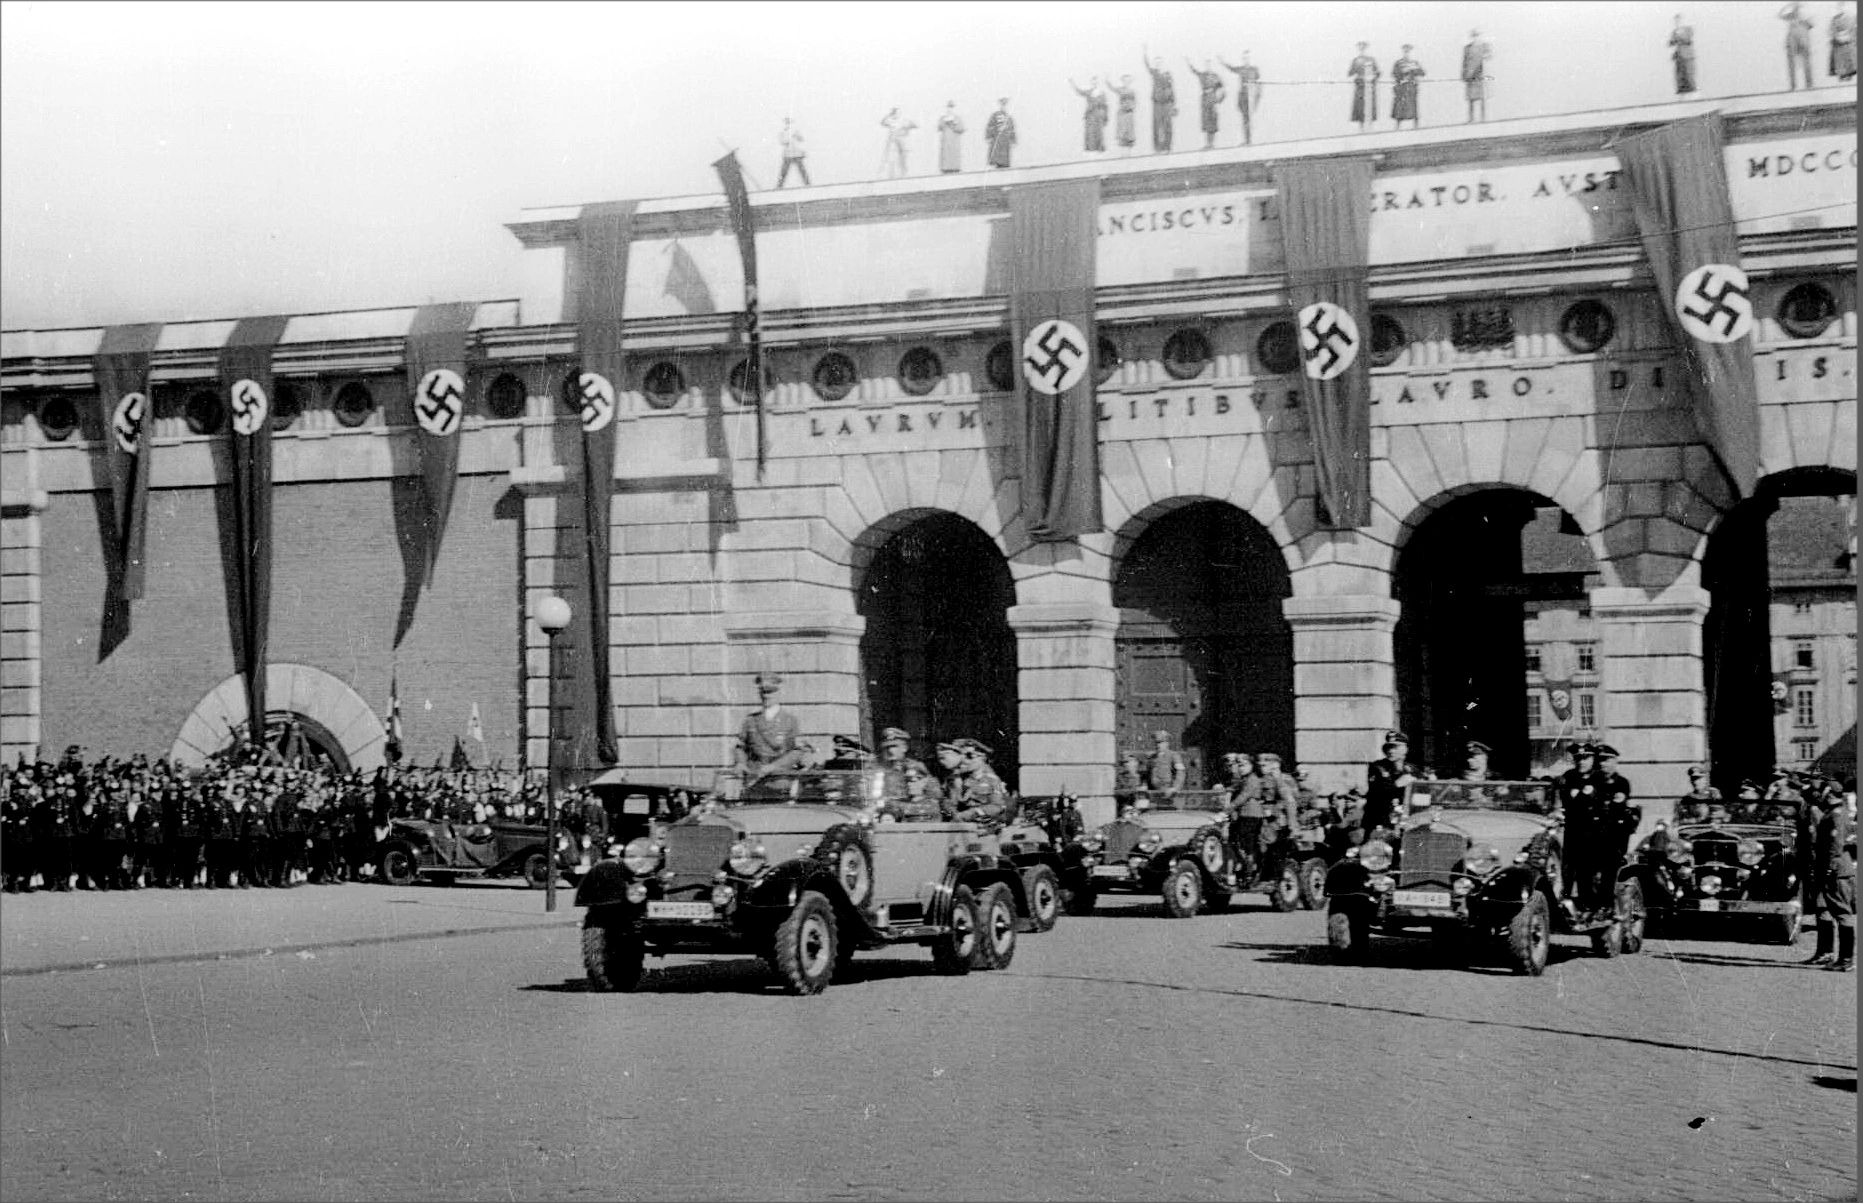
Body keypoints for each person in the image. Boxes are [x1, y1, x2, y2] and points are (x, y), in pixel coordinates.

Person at [1805, 787, 1856, 969]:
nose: (1822, 796)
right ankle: (1826, 952)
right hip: (1826, 868)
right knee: (1823, 909)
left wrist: (1830, 868)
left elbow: (1836, 843)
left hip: (1836, 870)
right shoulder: (1830, 813)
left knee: (1842, 912)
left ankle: (1846, 959)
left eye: (1825, 793)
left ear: (1831, 795)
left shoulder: (1836, 815)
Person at [739, 672, 805, 779]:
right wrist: (740, 763)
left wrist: (774, 766)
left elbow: (797, 751)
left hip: (780, 778)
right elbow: (740, 747)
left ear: (779, 693)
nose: (766, 696)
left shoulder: (789, 720)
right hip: (754, 778)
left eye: (770, 692)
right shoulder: (750, 720)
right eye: (763, 692)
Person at [946, 739, 1011, 833]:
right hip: (962, 828)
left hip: (986, 830)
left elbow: (997, 807)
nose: (963, 760)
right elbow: (951, 804)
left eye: (969, 756)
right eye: (961, 755)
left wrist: (973, 813)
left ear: (982, 758)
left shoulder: (992, 780)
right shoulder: (960, 779)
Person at [1363, 731, 1418, 835]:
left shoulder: (1412, 769)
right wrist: (1396, 784)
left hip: (1405, 819)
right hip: (1381, 819)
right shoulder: (1377, 767)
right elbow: (1375, 793)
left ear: (1405, 749)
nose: (1391, 751)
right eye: (1388, 747)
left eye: (1395, 747)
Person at [878, 727, 938, 820]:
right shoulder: (879, 769)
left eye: (894, 746)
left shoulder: (915, 767)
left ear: (904, 748)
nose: (890, 751)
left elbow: (934, 795)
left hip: (909, 816)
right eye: (887, 747)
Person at [1218, 52, 1263, 144]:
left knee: (1249, 118)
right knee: (1245, 118)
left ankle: (1249, 139)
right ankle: (1247, 139)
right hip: (1243, 96)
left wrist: (1257, 95)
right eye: (1244, 58)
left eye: (1247, 58)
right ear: (1243, 60)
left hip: (1251, 95)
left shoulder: (1254, 70)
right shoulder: (1241, 69)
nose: (1246, 60)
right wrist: (1222, 62)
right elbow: (1231, 68)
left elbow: (1259, 83)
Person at [1143, 49, 1176, 151]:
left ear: (1163, 63)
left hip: (1167, 103)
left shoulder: (1167, 74)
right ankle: (1158, 147)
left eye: (1160, 62)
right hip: (1157, 103)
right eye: (1156, 63)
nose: (1158, 64)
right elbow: (1147, 65)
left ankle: (1167, 146)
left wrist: (1173, 104)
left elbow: (1171, 89)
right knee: (1157, 125)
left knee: (1167, 125)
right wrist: (1145, 53)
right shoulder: (1154, 72)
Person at [1188, 58, 1225, 148]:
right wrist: (1188, 62)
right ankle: (1208, 143)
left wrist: (1219, 99)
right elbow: (1194, 71)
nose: (1208, 66)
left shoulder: (1215, 76)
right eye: (1207, 65)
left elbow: (1221, 88)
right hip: (1205, 99)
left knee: (1213, 120)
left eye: (1210, 64)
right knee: (1206, 120)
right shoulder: (1202, 75)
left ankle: (1212, 143)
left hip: (1212, 98)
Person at [1070, 77, 1109, 153]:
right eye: (1093, 82)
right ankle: (1091, 150)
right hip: (1090, 115)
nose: (1095, 83)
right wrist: (1072, 83)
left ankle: (1099, 149)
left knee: (1099, 132)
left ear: (1098, 83)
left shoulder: (1102, 93)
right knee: (1090, 132)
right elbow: (1079, 91)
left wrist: (1105, 117)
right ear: (1091, 83)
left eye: (1096, 82)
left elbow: (1105, 106)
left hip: (1099, 115)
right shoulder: (1088, 92)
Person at [1782, 1, 1817, 88]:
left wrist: (1804, 20)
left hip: (1803, 40)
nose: (1796, 7)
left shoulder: (1805, 15)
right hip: (1792, 41)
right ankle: (1793, 85)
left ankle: (1809, 84)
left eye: (1797, 5)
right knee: (1791, 64)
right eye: (1795, 5)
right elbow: (1780, 15)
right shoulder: (1790, 15)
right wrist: (1787, 6)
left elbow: (1812, 25)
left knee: (1806, 63)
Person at [1461, 29, 1492, 122]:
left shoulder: (1484, 46)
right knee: (1471, 98)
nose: (1475, 38)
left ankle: (1483, 118)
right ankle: (1471, 118)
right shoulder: (1467, 48)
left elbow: (1488, 58)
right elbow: (1464, 62)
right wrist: (1464, 74)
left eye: (1477, 36)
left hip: (1480, 75)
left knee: (1482, 97)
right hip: (1470, 75)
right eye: (1474, 36)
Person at [1145, 729, 1186, 798]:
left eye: (1161, 742)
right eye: (1156, 742)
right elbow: (1148, 775)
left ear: (1167, 743)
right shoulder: (1151, 758)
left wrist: (1175, 788)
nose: (1158, 745)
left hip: (1169, 794)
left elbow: (1180, 773)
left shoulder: (1174, 756)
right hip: (1155, 794)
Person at [1392, 45, 1425, 129]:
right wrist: (1402, 74)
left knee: (1413, 105)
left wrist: (1414, 70)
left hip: (1411, 87)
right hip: (1402, 87)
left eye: (1408, 51)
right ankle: (1398, 126)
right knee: (1400, 106)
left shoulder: (1414, 62)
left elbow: (1422, 73)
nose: (1406, 53)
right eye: (1405, 51)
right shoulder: (1399, 62)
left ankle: (1416, 125)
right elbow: (1394, 73)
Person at [1348, 43, 1380, 130]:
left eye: (1363, 47)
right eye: (1360, 47)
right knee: (1360, 105)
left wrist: (1372, 77)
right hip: (1360, 86)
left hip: (1369, 85)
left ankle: (1370, 126)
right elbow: (1350, 73)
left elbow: (1377, 72)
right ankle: (1361, 127)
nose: (1362, 48)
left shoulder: (1371, 59)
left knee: (1370, 105)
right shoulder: (1356, 60)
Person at [880, 108, 915, 179]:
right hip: (893, 141)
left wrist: (907, 128)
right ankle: (892, 174)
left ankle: (904, 173)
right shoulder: (891, 121)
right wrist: (888, 115)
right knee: (892, 157)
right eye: (894, 113)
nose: (895, 115)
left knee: (903, 156)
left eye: (896, 113)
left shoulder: (903, 121)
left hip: (901, 140)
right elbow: (883, 122)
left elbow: (914, 125)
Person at [1108, 74, 1139, 154]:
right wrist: (1107, 80)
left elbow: (1134, 102)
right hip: (1122, 113)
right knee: (1122, 131)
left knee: (1130, 132)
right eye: (1125, 80)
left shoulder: (1132, 91)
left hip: (1129, 114)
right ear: (1122, 81)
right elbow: (1112, 88)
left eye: (1128, 81)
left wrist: (1131, 107)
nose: (1126, 82)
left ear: (1130, 81)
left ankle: (1129, 152)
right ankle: (1122, 152)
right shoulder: (1120, 89)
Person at [776, 117, 810, 189]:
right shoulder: (783, 132)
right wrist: (790, 136)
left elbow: (801, 139)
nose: (788, 124)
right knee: (784, 171)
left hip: (797, 153)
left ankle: (807, 184)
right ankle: (779, 186)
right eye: (787, 122)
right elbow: (782, 141)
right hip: (788, 154)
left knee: (802, 170)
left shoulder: (796, 130)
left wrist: (796, 135)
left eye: (789, 122)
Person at [985, 98, 1016, 169]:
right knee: (997, 156)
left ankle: (1004, 166)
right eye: (1002, 103)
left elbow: (1012, 129)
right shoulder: (995, 115)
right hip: (997, 140)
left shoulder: (1008, 117)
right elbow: (990, 126)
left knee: (1005, 158)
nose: (1003, 105)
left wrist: (1013, 139)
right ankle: (998, 166)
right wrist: (989, 136)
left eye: (1005, 104)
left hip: (1005, 141)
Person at [1670, 15, 1698, 95]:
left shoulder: (1688, 29)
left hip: (1688, 56)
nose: (1677, 22)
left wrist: (1679, 39)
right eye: (1676, 21)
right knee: (1680, 76)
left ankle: (1693, 93)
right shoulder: (1675, 32)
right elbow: (1671, 42)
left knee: (1689, 75)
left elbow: (1688, 41)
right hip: (1679, 57)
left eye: (1679, 20)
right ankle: (1682, 92)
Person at [936, 101, 964, 173]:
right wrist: (945, 123)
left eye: (951, 107)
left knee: (954, 157)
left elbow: (961, 129)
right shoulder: (943, 118)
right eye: (948, 107)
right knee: (945, 157)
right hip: (945, 143)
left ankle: (955, 168)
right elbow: (939, 127)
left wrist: (953, 125)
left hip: (954, 142)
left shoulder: (958, 118)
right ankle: (945, 169)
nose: (950, 109)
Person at [1833, 2, 1857, 80]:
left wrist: (1850, 36)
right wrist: (1837, 37)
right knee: (1840, 58)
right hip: (1839, 41)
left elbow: (1853, 29)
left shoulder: (1850, 17)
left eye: (1842, 6)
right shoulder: (1835, 19)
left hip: (1848, 40)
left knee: (1848, 57)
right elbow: (1833, 30)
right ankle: (1842, 74)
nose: (1841, 9)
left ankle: (1849, 74)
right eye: (1839, 7)